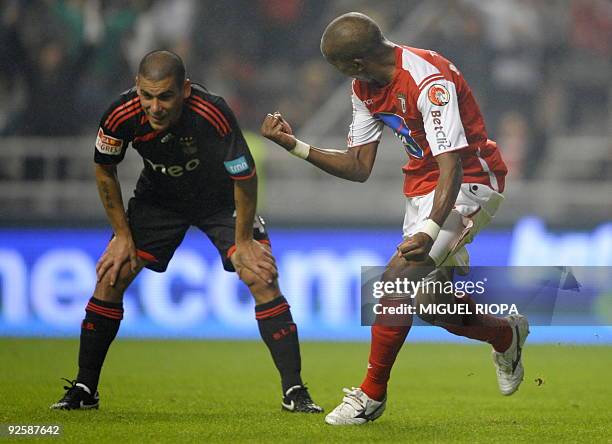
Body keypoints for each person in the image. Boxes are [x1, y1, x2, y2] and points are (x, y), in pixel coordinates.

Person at [261, 12, 529, 425]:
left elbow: (452, 167)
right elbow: (357, 165)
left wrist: (429, 229)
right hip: (424, 192)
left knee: (393, 284)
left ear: (356, 62)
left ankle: (371, 396)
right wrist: (295, 145)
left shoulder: (427, 80)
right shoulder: (364, 87)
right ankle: (505, 335)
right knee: (430, 304)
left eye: (338, 67)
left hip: (470, 183)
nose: (341, 76)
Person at [50, 50, 322, 414]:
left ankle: (295, 392)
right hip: (159, 199)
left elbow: (244, 175)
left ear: (186, 90)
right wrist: (122, 236)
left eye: (165, 96)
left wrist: (243, 242)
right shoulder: (120, 114)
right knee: (111, 275)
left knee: (261, 276)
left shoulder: (212, 111)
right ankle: (84, 388)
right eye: (147, 96)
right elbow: (104, 170)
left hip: (220, 199)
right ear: (137, 89)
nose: (155, 107)